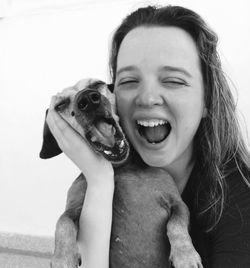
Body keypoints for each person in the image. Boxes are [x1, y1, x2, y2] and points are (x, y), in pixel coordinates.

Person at [46, 4, 250, 268]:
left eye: (174, 80)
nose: (148, 98)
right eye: (129, 81)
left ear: (207, 101)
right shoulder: (105, 176)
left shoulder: (241, 205)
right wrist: (99, 179)